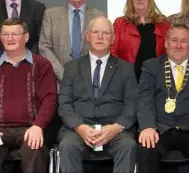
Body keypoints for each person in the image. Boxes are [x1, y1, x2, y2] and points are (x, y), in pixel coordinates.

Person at [0, 18, 58, 173]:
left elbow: (49, 99)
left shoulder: (42, 65)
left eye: (14, 34)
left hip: (30, 128)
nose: (9, 38)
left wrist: (38, 125)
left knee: (35, 149)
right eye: (5, 34)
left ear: (25, 37)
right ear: (0, 38)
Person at [57, 16, 138, 173]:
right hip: (79, 130)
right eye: (95, 32)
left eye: (106, 33)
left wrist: (115, 127)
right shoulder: (72, 68)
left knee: (128, 146)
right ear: (87, 36)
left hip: (114, 130)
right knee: (67, 146)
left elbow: (132, 104)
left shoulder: (126, 69)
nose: (100, 37)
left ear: (113, 38)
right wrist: (81, 128)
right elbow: (64, 104)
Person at [136, 24, 189, 173]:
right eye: (174, 40)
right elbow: (144, 99)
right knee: (145, 148)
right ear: (166, 43)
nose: (178, 45)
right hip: (160, 129)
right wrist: (147, 126)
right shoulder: (151, 67)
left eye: (184, 41)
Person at [39, 0, 106, 87]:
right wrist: (64, 75)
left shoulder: (99, 16)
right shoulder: (50, 15)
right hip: (59, 85)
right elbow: (44, 48)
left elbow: (103, 49)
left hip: (90, 86)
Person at [111, 0, 171, 80]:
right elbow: (113, 52)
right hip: (128, 80)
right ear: (130, 0)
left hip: (157, 80)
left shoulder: (163, 23)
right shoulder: (120, 23)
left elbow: (170, 53)